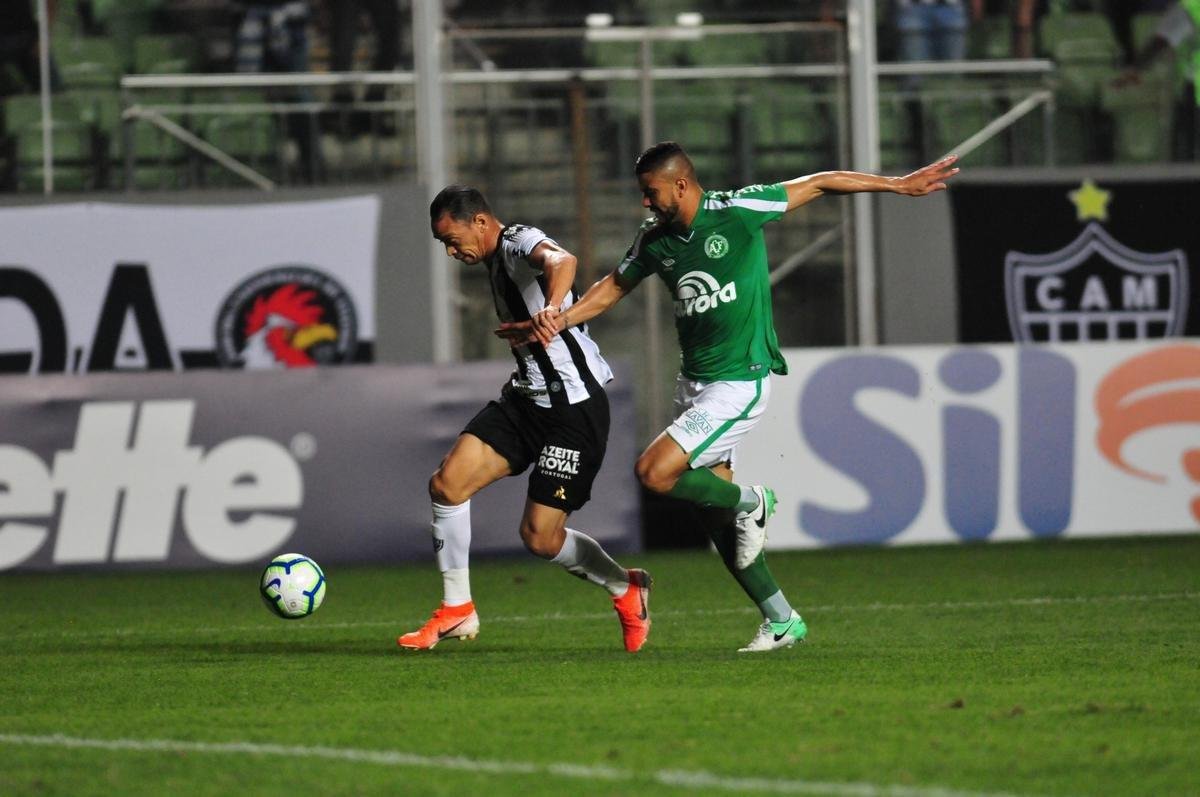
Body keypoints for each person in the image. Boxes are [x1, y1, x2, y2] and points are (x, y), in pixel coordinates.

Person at [501, 142, 959, 653]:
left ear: (680, 184)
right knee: (719, 524)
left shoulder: (737, 210)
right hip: (695, 384)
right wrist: (556, 322)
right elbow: (612, 287)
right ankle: (782, 619)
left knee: (654, 472)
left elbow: (820, 181)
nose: (645, 204)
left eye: (650, 194)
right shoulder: (654, 240)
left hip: (741, 379)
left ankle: (754, 501)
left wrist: (897, 185)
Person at [398, 185, 652, 653]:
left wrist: (553, 310)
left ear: (480, 222)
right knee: (446, 485)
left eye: (454, 241)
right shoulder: (493, 262)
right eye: (444, 246)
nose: (453, 252)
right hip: (526, 400)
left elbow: (562, 261)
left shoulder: (516, 241)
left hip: (574, 407)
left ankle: (625, 587)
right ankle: (458, 608)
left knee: (539, 536)